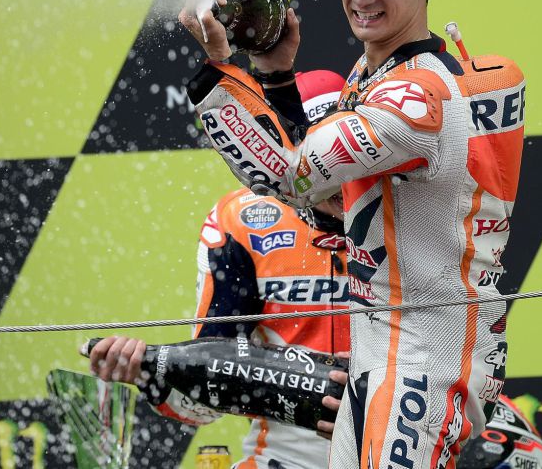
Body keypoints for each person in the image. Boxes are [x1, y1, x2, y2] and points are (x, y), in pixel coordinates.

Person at [176, 0, 526, 469]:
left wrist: (218, 71)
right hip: (386, 347)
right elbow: (329, 202)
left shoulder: (413, 101)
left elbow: (288, 177)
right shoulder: (380, 74)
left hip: (420, 359)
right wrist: (277, 77)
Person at [89, 70, 352, 468]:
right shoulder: (245, 223)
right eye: (316, 160)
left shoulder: (423, 213)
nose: (335, 177)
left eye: (344, 156)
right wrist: (149, 373)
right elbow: (203, 404)